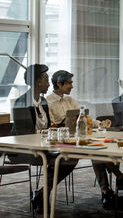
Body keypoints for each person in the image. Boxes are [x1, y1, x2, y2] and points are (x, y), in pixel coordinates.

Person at [46, 70, 122, 209]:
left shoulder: (70, 100)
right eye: (69, 83)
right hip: (62, 141)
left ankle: (107, 191)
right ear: (59, 83)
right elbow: (50, 126)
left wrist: (99, 123)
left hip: (77, 139)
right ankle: (117, 177)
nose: (72, 86)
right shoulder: (48, 102)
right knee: (95, 151)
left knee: (97, 150)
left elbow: (84, 118)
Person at [8, 64, 78, 214]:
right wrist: (47, 132)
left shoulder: (43, 102)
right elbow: (25, 135)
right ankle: (42, 194)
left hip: (44, 145)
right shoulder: (22, 102)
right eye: (46, 79)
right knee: (64, 157)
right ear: (37, 82)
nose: (48, 84)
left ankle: (42, 192)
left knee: (71, 155)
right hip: (24, 149)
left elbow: (47, 127)